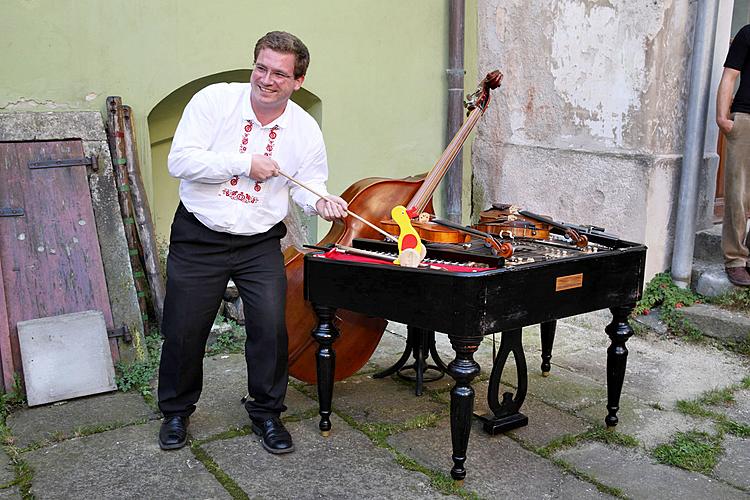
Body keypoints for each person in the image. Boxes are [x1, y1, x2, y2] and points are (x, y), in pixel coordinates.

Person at [157, 31, 348, 454]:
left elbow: (307, 185)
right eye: (261, 68)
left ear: (298, 81)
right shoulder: (214, 100)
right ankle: (175, 410)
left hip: (260, 242)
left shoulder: (304, 129)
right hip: (199, 235)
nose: (266, 79)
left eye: (279, 73)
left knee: (269, 329)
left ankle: (266, 412)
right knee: (184, 330)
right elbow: (180, 160)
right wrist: (244, 163)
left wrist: (323, 202)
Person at [718, 24, 750, 287]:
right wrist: (722, 117)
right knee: (738, 192)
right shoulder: (748, 33)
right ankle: (735, 259)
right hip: (746, 119)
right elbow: (730, 76)